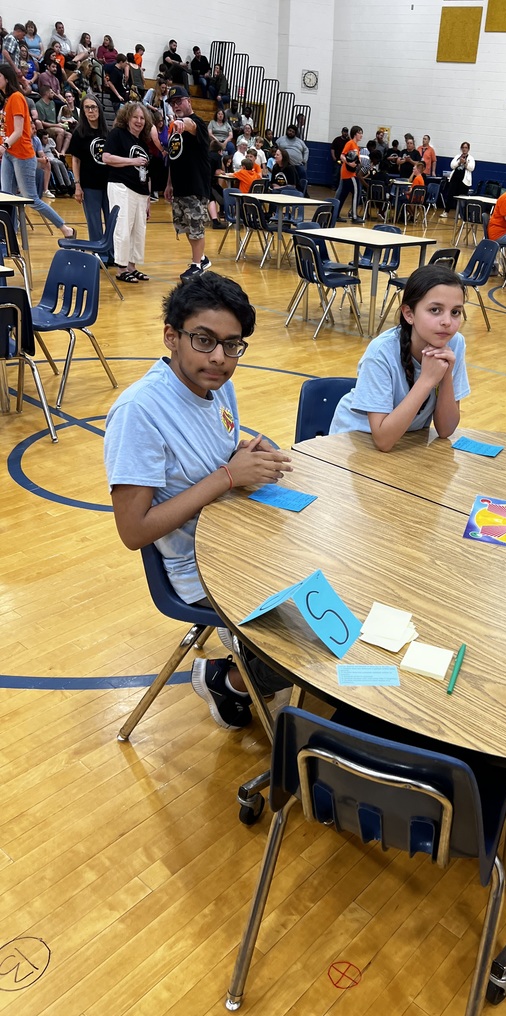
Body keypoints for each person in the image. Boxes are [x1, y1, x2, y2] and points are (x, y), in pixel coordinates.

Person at [104, 273, 294, 727]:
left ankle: (253, 660)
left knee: (338, 568)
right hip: (198, 567)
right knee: (307, 632)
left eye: (232, 345)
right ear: (171, 336)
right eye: (204, 340)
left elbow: (213, 448)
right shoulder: (140, 412)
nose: (219, 358)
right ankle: (227, 679)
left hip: (236, 536)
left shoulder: (215, 383)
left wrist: (244, 453)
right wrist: (229, 476)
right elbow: (133, 532)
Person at [330, 265, 470, 451]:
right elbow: (383, 441)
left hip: (406, 442)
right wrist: (428, 379)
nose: (447, 322)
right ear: (409, 314)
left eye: (455, 312)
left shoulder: (455, 343)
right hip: (355, 441)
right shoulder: (381, 351)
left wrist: (445, 376)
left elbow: (446, 430)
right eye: (435, 310)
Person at [0, 62, 75, 237]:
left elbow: (18, 132)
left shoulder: (17, 98)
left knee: (32, 199)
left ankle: (66, 229)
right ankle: (10, 232)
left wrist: (3, 146)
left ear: (6, 78)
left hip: (22, 155)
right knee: (6, 195)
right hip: (11, 154)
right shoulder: (6, 100)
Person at [166, 84, 212, 281]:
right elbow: (173, 156)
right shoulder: (174, 128)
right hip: (179, 186)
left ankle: (196, 266)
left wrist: (183, 122)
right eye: (172, 103)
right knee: (185, 226)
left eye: (179, 101)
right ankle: (201, 258)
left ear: (188, 102)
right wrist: (169, 184)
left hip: (195, 185)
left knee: (196, 226)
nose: (176, 105)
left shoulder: (197, 123)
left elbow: (191, 125)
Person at [103, 100, 152, 283]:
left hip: (140, 191)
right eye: (135, 117)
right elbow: (106, 157)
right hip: (121, 186)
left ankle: (132, 266)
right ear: (127, 118)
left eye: (142, 118)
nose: (139, 121)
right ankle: (121, 268)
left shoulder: (143, 143)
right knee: (122, 228)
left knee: (138, 231)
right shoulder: (117, 134)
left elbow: (147, 173)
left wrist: (147, 198)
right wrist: (132, 161)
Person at [69, 96, 111, 246]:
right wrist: (77, 185)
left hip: (109, 184)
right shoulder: (79, 134)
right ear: (83, 111)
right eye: (87, 107)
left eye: (93, 107)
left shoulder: (108, 133)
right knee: (94, 223)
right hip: (89, 185)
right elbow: (75, 160)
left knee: (112, 221)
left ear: (99, 108)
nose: (91, 110)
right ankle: (100, 255)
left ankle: (113, 254)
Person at [335, 124, 364, 222]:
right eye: (360, 133)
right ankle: (354, 216)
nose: (361, 135)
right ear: (355, 134)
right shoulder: (350, 143)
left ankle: (336, 214)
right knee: (356, 192)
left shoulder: (356, 146)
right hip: (348, 173)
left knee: (343, 194)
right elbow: (342, 156)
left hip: (351, 172)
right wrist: (349, 163)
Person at [443, 141, 475, 215]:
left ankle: (461, 214)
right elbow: (452, 165)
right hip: (455, 179)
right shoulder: (457, 156)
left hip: (464, 181)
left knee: (462, 198)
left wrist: (465, 163)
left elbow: (471, 168)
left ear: (468, 149)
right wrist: (459, 162)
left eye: (466, 148)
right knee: (450, 195)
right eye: (463, 147)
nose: (464, 149)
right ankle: (446, 211)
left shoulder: (471, 158)